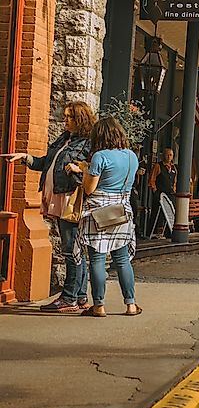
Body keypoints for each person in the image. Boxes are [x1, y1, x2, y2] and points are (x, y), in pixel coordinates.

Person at [4, 101, 95, 312]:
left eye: (69, 117)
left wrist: (77, 170)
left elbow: (91, 172)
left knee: (71, 249)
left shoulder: (87, 143)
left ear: (79, 119)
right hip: (57, 197)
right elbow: (46, 162)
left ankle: (69, 297)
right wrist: (25, 158)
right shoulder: (64, 139)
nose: (65, 121)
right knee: (74, 248)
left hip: (69, 199)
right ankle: (80, 296)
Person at [70, 117, 141, 317]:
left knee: (97, 259)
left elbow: (90, 188)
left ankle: (99, 306)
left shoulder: (100, 157)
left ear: (99, 136)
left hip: (98, 213)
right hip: (122, 211)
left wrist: (81, 170)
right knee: (122, 259)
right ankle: (131, 304)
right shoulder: (131, 156)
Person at [148, 148, 179, 239]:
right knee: (157, 213)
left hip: (170, 194)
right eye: (167, 155)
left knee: (171, 212)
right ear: (163, 155)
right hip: (160, 193)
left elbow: (174, 181)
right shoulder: (158, 166)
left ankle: (169, 232)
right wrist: (155, 190)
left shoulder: (174, 168)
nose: (169, 157)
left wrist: (174, 190)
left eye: (171, 155)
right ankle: (152, 232)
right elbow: (152, 180)